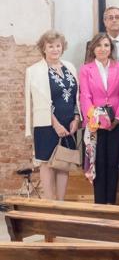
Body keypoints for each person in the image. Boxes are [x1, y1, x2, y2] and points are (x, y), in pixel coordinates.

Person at [25, 30, 80, 201]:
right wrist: (55, 123)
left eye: (58, 45)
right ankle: (49, 205)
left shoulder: (70, 67)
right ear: (43, 48)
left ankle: (61, 204)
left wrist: (76, 119)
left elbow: (76, 97)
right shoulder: (34, 71)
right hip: (46, 124)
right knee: (47, 164)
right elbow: (37, 101)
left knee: (63, 163)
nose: (55, 49)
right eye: (51, 46)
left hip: (70, 123)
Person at [79, 32, 119, 204]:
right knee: (98, 163)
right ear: (93, 48)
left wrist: (118, 117)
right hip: (95, 125)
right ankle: (99, 203)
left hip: (116, 122)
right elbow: (85, 96)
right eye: (99, 45)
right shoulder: (86, 69)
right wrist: (95, 119)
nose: (102, 49)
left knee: (113, 162)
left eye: (106, 45)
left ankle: (111, 203)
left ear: (111, 48)